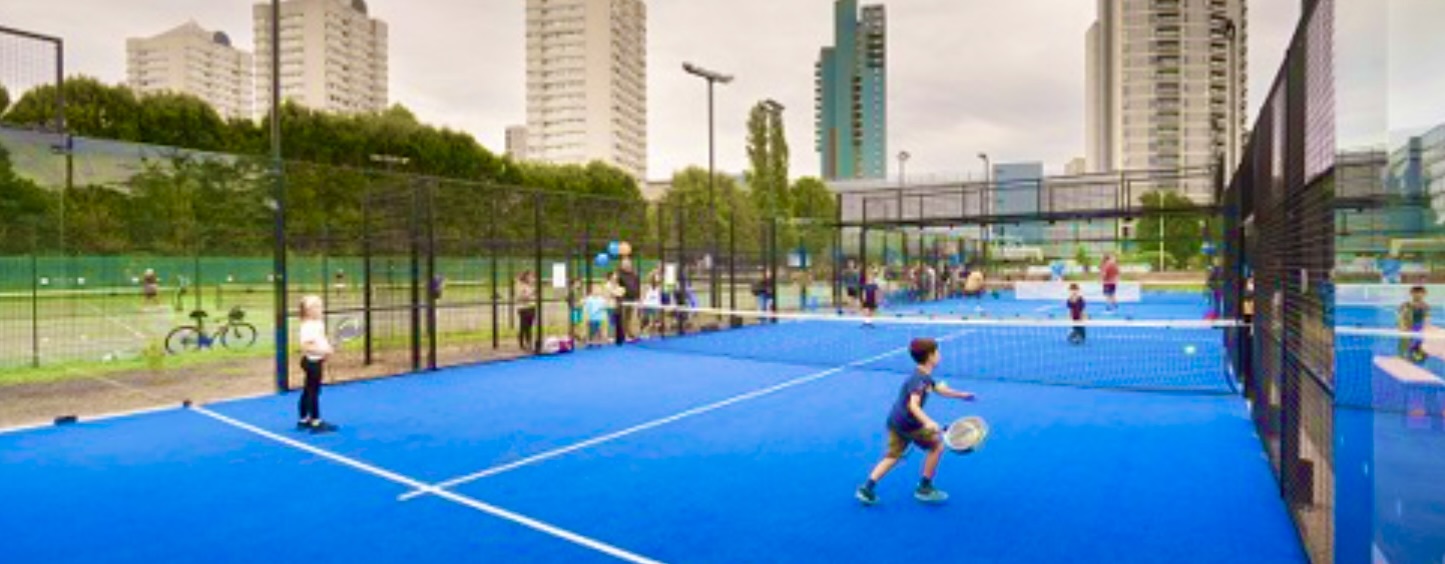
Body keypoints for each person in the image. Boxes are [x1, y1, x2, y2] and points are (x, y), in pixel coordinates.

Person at [856, 337, 976, 506]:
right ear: (930, 357)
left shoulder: (922, 375)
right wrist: (928, 422)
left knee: (893, 456)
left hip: (896, 421)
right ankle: (924, 488)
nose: (939, 355)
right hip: (911, 424)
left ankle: (867, 489)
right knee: (937, 446)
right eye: (937, 352)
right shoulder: (919, 379)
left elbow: (938, 389)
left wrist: (961, 395)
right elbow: (914, 405)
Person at [297, 295, 338, 434]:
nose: (321, 309)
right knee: (313, 392)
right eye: (317, 306)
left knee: (309, 390)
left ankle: (303, 420)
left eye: (320, 305)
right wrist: (323, 350)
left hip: (316, 360)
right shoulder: (307, 326)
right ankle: (316, 422)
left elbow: (321, 339)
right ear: (308, 310)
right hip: (311, 362)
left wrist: (326, 352)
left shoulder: (318, 323)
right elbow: (305, 347)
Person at [1398, 286, 1431, 363]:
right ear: (1411, 293)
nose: (1418, 295)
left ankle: (1415, 355)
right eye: (1416, 292)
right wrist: (1402, 326)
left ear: (1425, 294)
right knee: (1406, 344)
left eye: (1421, 292)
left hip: (1419, 327)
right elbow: (1401, 316)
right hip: (1409, 327)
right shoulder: (1406, 305)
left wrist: (1426, 326)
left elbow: (1426, 317)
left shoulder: (1425, 306)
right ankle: (1404, 357)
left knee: (1417, 343)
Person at [618, 259, 641, 344]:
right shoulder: (619, 276)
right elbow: (618, 288)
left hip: (633, 300)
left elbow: (637, 286)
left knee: (633, 318)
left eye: (629, 264)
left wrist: (638, 297)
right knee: (624, 318)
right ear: (622, 266)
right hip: (624, 301)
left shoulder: (634, 275)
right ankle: (624, 335)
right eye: (625, 265)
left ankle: (633, 334)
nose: (628, 266)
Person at [516, 271, 537, 351]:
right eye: (531, 277)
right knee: (523, 326)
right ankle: (521, 342)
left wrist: (534, 293)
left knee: (529, 326)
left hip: (531, 307)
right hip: (523, 308)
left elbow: (534, 297)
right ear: (526, 278)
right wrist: (530, 294)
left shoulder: (532, 286)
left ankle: (529, 343)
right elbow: (520, 297)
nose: (533, 279)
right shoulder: (521, 286)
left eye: (533, 277)